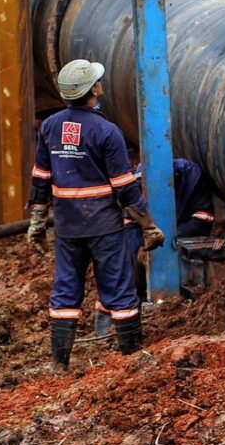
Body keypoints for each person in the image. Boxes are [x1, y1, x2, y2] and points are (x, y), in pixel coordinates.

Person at [23, 59, 159, 365]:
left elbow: (41, 177)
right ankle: (130, 359)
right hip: (104, 226)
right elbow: (125, 186)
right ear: (93, 89)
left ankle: (60, 364)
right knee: (119, 288)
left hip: (68, 227)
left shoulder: (50, 126)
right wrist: (149, 225)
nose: (100, 84)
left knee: (66, 289)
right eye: (97, 81)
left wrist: (37, 221)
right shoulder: (107, 131)